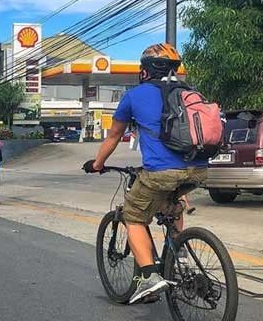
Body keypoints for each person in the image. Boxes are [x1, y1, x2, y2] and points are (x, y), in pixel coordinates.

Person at [84, 43, 208, 305]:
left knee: (134, 216)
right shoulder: (190, 93)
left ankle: (150, 278)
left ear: (145, 70)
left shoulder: (135, 96)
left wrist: (97, 163)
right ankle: (179, 254)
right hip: (198, 169)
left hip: (162, 173)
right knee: (172, 205)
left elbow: (115, 135)